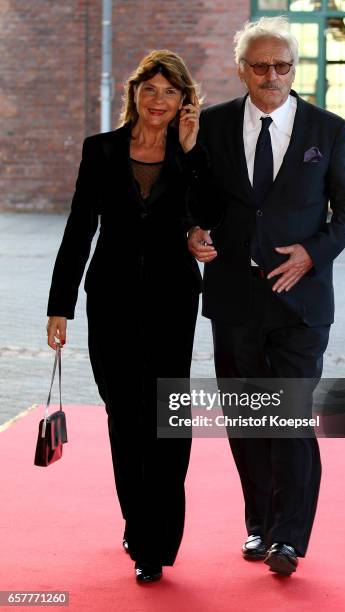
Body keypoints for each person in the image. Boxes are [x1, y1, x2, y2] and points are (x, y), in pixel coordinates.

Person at [188, 16, 345, 576]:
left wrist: (314, 252)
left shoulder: (327, 128)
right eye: (260, 65)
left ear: (295, 69)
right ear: (241, 69)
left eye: (282, 65)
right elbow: (198, 197)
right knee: (246, 421)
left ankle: (289, 538)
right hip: (234, 298)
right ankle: (260, 524)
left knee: (286, 416)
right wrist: (192, 230)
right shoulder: (213, 126)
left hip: (300, 299)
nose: (271, 75)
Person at [46, 50, 205, 583]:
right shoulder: (101, 151)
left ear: (184, 101)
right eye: (151, 89)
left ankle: (157, 538)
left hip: (171, 301)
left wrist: (189, 152)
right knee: (125, 416)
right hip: (110, 301)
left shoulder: (191, 155)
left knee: (165, 415)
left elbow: (210, 215)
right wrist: (59, 305)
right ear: (134, 93)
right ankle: (138, 522)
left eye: (171, 92)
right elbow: (77, 230)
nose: (159, 101)